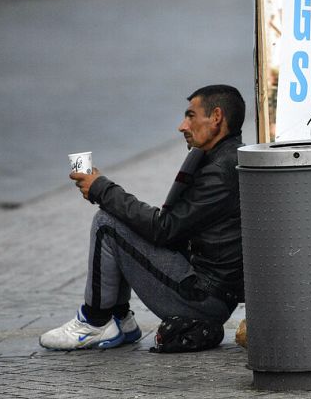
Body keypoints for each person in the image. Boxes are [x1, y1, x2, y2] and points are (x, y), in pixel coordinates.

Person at [39, 85, 246, 351]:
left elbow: (164, 229)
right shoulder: (222, 158)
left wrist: (102, 188)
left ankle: (94, 321)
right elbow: (171, 227)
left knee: (107, 225)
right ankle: (120, 319)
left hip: (203, 298)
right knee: (120, 222)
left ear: (216, 117)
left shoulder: (220, 170)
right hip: (209, 288)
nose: (182, 126)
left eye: (191, 115)